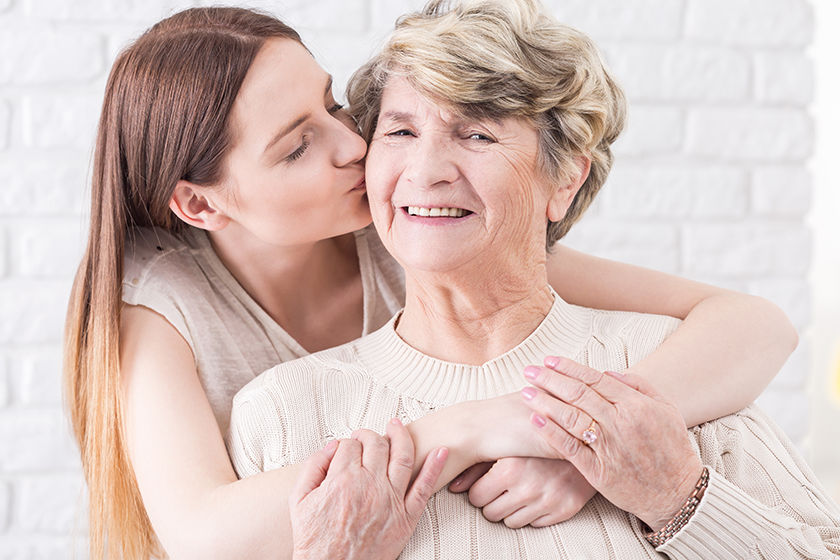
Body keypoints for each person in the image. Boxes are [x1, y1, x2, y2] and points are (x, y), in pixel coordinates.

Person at [62, 5, 798, 560]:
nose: (356, 143)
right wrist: (475, 426)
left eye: (332, 105)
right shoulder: (159, 312)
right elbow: (204, 535)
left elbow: (753, 324)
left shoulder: (416, 238)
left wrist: (589, 447)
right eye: (296, 148)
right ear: (200, 203)